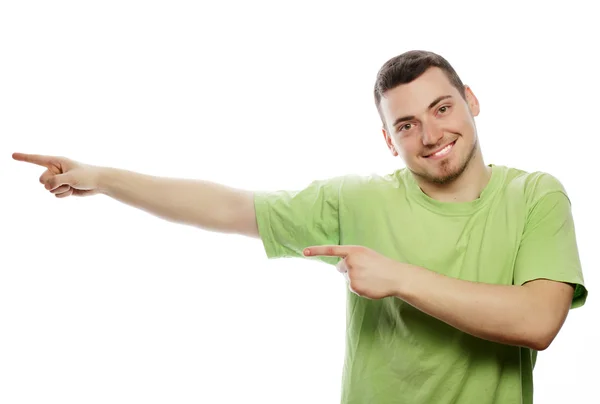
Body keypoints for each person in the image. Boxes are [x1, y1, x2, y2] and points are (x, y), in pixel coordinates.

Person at [13, 50, 587, 404]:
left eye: (442, 109)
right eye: (406, 124)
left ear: (471, 101)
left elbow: (538, 321)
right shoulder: (357, 198)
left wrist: (398, 277)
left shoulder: (534, 195)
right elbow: (232, 208)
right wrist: (104, 178)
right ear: (388, 140)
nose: (430, 135)